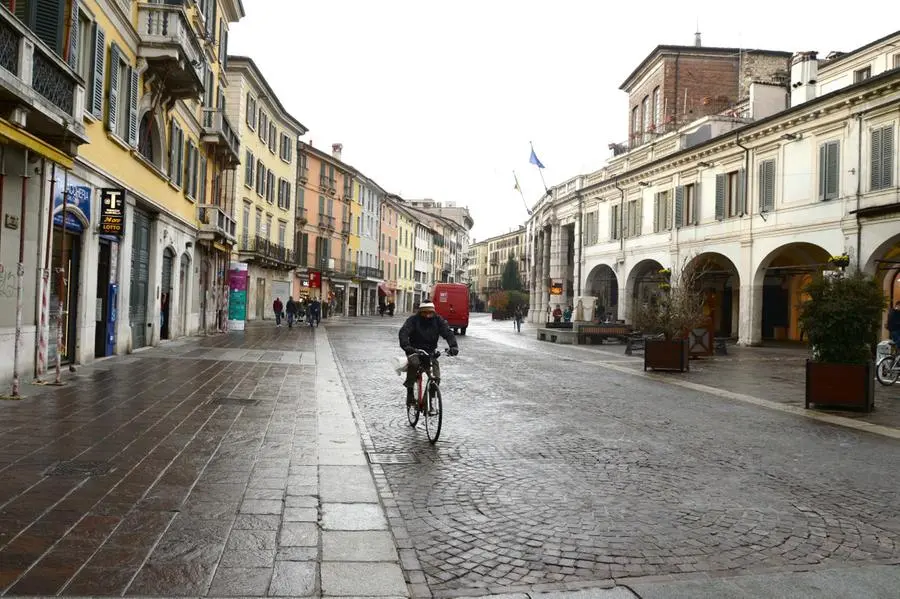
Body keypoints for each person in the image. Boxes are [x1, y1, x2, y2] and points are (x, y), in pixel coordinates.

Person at [399, 301, 459, 407]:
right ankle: (410, 391)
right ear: (420, 312)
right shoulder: (413, 320)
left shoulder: (438, 320)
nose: (427, 315)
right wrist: (407, 346)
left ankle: (429, 400)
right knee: (414, 363)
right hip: (415, 350)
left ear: (433, 312)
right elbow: (404, 332)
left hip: (430, 352)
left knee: (436, 377)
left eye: (430, 313)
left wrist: (453, 346)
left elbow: (448, 332)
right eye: (424, 313)